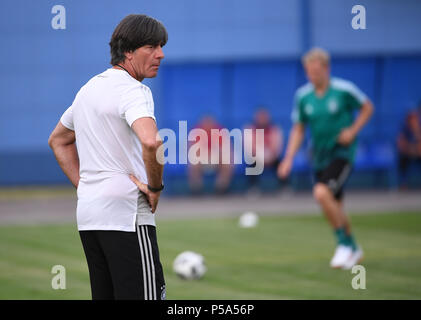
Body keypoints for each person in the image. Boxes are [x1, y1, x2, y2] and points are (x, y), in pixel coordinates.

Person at [48, 14, 167, 300]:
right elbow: (152, 142)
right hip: (126, 213)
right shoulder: (134, 90)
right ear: (128, 51)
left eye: (161, 47)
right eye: (151, 47)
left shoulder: (88, 89)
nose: (160, 54)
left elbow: (58, 140)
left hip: (90, 214)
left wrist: (87, 185)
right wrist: (154, 187)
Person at [277, 47, 374, 270]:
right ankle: (354, 248)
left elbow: (367, 107)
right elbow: (299, 129)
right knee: (336, 204)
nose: (313, 75)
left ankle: (343, 244)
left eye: (317, 71)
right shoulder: (303, 96)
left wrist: (352, 131)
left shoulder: (343, 90)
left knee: (321, 193)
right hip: (319, 156)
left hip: (341, 153)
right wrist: (288, 158)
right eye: (309, 72)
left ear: (326, 69)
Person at [188, 115, 234, 195]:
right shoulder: (196, 132)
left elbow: (226, 148)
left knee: (227, 164)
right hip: (202, 157)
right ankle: (196, 189)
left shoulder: (220, 131)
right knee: (193, 164)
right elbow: (193, 149)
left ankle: (221, 188)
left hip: (216, 156)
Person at [244, 108, 283, 193]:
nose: (262, 120)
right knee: (252, 163)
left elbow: (277, 146)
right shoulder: (250, 129)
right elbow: (249, 147)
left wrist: (271, 156)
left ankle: (284, 186)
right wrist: (259, 157)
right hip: (257, 157)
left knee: (281, 164)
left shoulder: (274, 129)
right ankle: (253, 187)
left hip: (271, 157)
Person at [396, 104, 421, 189]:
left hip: (418, 154)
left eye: (414, 117)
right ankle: (404, 183)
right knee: (402, 159)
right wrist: (411, 149)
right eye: (410, 118)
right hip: (409, 153)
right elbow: (401, 144)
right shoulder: (405, 128)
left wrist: (416, 132)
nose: (412, 120)